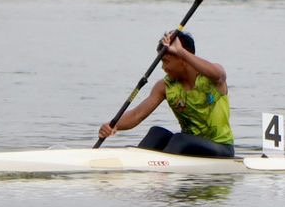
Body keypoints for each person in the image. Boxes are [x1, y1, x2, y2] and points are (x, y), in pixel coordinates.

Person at [97, 30, 235, 158]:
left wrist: (180, 51)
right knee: (156, 133)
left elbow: (219, 75)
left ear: (183, 59)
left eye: (166, 61)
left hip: (221, 148)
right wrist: (113, 125)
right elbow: (137, 115)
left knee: (180, 139)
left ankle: (157, 170)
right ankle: (140, 168)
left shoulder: (212, 79)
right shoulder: (165, 86)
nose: (163, 68)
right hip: (188, 147)